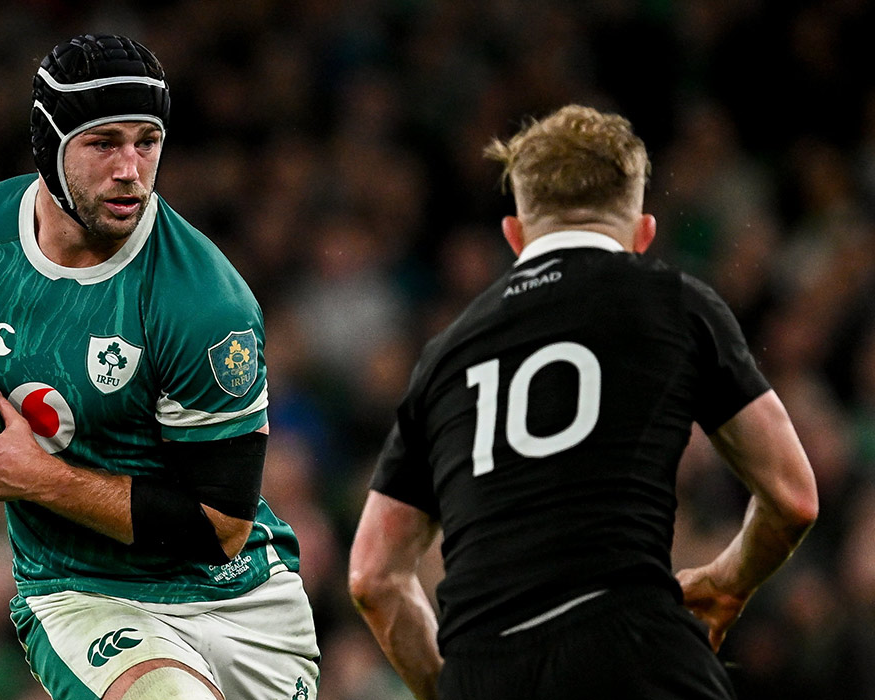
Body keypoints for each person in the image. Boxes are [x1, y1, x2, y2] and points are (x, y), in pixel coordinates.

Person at [0, 34, 319, 700]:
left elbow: (221, 528)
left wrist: (35, 478)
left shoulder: (204, 304)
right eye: (104, 143)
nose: (131, 169)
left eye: (147, 141)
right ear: (49, 146)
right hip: (81, 593)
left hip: (242, 599)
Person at [347, 104, 818, 700]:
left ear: (514, 235)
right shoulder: (673, 303)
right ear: (642, 235)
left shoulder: (445, 357)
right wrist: (728, 581)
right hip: (634, 652)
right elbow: (794, 497)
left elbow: (372, 575)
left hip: (484, 667)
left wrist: (454, 688)